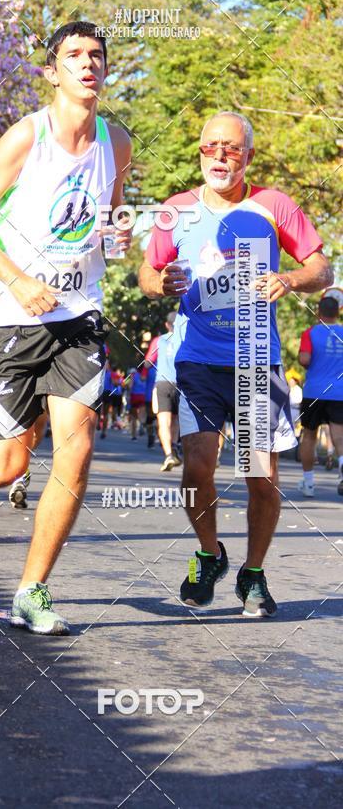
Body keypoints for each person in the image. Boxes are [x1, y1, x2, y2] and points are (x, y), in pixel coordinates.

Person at [0, 20, 132, 635]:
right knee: (11, 466)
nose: (87, 64)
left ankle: (32, 590)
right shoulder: (28, 136)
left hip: (78, 317)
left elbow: (109, 213)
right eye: (73, 55)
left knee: (77, 448)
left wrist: (119, 233)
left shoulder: (116, 141)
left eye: (96, 55)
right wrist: (18, 279)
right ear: (52, 72)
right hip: (14, 318)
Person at [139, 110, 332, 617]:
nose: (220, 156)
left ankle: (253, 573)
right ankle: (209, 555)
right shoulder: (176, 210)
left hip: (254, 357)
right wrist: (160, 284)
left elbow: (321, 267)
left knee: (260, 477)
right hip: (198, 360)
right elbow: (146, 268)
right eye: (210, 147)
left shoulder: (275, 206)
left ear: (248, 155)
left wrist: (288, 280)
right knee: (197, 467)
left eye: (231, 148)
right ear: (199, 152)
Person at [297, 296, 343, 498]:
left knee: (309, 436)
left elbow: (305, 359)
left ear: (318, 311)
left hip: (314, 391)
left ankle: (308, 484)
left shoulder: (310, 333)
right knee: (339, 436)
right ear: (338, 312)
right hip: (339, 392)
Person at [144, 311, 181, 471]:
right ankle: (174, 446)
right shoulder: (184, 339)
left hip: (162, 383)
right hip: (180, 384)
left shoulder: (159, 341)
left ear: (167, 324)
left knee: (163, 421)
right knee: (177, 420)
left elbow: (147, 363)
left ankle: (168, 455)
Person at [128, 365, 147, 440]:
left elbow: (130, 386)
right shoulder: (145, 376)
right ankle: (142, 424)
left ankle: (134, 435)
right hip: (143, 396)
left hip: (134, 396)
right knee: (141, 415)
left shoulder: (133, 375)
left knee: (133, 417)